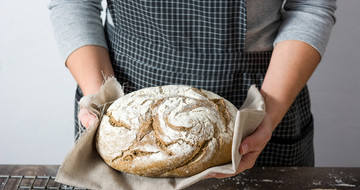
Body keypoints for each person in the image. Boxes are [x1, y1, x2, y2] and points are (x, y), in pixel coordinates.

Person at [49, 0, 336, 178]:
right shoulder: (114, 107)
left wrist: (269, 113)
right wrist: (101, 97)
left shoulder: (263, 110)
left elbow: (311, 4)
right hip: (124, 99)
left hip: (257, 102)